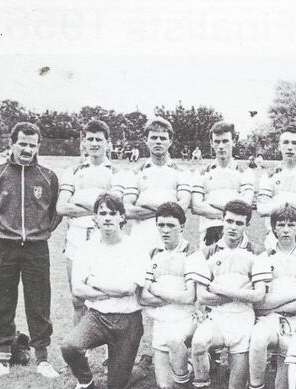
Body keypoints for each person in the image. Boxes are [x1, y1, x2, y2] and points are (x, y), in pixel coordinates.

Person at [0, 122, 62, 382]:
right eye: (22, 144)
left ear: (39, 146)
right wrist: (6, 231)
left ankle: (43, 359)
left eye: (32, 144)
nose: (27, 149)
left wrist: (38, 232)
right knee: (2, 299)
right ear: (11, 144)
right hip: (4, 245)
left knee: (39, 301)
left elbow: (54, 213)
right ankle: (2, 360)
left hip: (37, 247)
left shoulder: (48, 176)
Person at [59, 194, 150, 389]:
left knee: (117, 384)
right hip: (97, 318)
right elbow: (78, 290)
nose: (107, 218)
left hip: (128, 320)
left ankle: (142, 365)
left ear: (122, 217)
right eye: (102, 213)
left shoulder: (135, 247)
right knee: (69, 345)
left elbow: (128, 289)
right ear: (96, 219)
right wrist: (111, 292)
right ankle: (85, 381)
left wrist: (93, 282)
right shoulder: (85, 248)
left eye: (112, 213)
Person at [186, 200, 268, 389]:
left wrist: (222, 290)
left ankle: (234, 372)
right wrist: (241, 294)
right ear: (222, 221)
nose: (233, 227)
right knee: (198, 342)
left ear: (246, 225)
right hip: (218, 318)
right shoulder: (206, 252)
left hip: (243, 321)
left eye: (239, 223)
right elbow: (202, 297)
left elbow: (258, 295)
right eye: (229, 221)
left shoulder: (258, 252)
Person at [241, 204, 296, 389]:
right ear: (273, 228)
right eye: (281, 225)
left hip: (295, 322)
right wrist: (290, 298)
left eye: (291, 225)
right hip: (270, 319)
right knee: (258, 338)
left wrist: (278, 305)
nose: (285, 229)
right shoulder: (264, 258)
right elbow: (259, 303)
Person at [57, 119, 123, 327]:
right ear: (84, 143)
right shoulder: (73, 171)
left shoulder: (117, 172)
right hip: (76, 237)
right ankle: (79, 354)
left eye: (99, 139)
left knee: (108, 295)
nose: (94, 143)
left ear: (108, 143)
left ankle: (109, 355)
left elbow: (115, 208)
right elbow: (61, 207)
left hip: (104, 237)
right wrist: (98, 207)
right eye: (90, 139)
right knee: (78, 299)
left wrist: (80, 204)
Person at [138, 202, 197, 389]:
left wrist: (156, 289)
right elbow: (143, 297)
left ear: (181, 226)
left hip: (183, 320)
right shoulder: (153, 253)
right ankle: (189, 364)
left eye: (170, 225)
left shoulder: (192, 253)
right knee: (165, 385)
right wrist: (171, 296)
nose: (165, 230)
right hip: (160, 322)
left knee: (177, 363)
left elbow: (189, 297)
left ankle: (195, 361)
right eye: (161, 225)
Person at [121, 117, 191, 254]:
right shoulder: (134, 173)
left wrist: (143, 207)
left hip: (171, 241)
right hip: (141, 239)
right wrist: (169, 209)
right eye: (153, 137)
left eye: (163, 138)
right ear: (146, 141)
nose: (158, 141)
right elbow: (127, 210)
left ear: (170, 141)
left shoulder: (182, 172)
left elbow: (182, 207)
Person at [190, 121, 255, 247]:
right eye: (217, 141)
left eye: (225, 141)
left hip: (236, 235)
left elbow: (246, 206)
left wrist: (211, 204)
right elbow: (196, 207)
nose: (221, 146)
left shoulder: (245, 172)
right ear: (211, 143)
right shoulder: (202, 172)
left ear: (234, 141)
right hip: (208, 234)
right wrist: (232, 216)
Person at [256, 128, 296, 251]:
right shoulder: (269, 175)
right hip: (275, 235)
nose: (290, 147)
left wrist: (279, 206)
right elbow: (262, 209)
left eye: (295, 143)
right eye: (285, 142)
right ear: (279, 146)